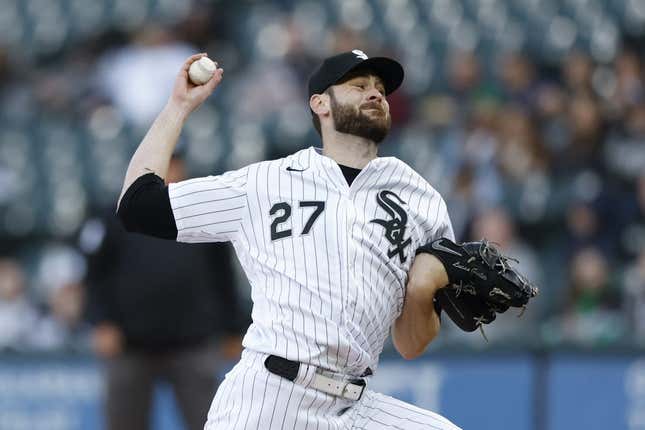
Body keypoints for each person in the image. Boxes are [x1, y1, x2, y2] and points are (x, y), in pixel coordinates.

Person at [117, 50, 461, 429]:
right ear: (320, 104)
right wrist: (177, 108)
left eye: (380, 88)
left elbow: (411, 345)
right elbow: (137, 205)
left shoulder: (421, 199)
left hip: (354, 404)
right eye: (358, 85)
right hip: (269, 398)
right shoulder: (264, 183)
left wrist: (422, 288)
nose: (375, 94)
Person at [86, 152, 246, 430]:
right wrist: (101, 321)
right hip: (129, 342)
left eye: (174, 163)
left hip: (194, 340)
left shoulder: (202, 211)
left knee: (210, 422)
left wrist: (233, 328)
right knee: (124, 423)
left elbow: (223, 276)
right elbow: (95, 276)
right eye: (162, 162)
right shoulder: (115, 214)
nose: (169, 170)